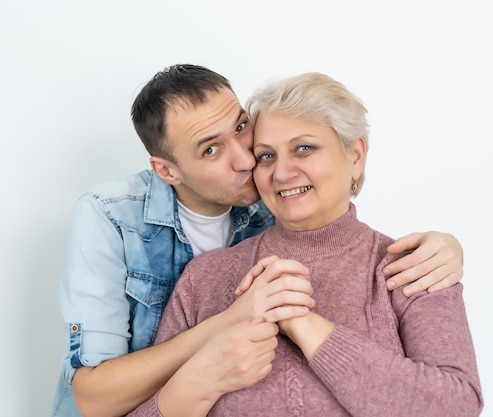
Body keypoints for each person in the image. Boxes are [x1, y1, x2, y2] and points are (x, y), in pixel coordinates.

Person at [50, 64, 466, 417]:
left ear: (356, 154)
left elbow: (454, 406)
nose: (253, 163)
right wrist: (202, 369)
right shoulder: (114, 221)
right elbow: (94, 398)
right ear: (168, 171)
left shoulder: (408, 267)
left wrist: (304, 323)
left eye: (243, 131)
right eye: (212, 150)